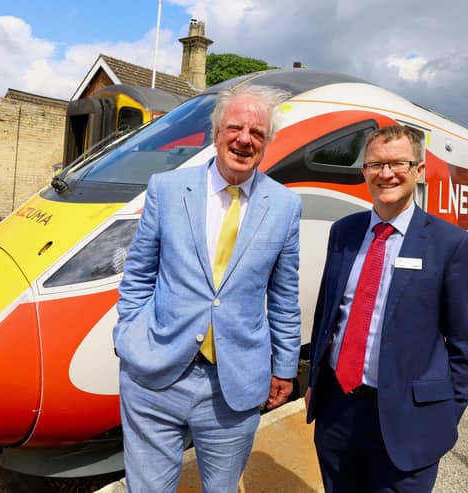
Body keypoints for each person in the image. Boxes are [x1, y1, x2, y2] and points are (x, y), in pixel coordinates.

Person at [113, 84, 302, 492]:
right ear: (217, 133)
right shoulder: (166, 188)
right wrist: (128, 334)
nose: (244, 139)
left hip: (233, 387)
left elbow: (284, 296)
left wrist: (285, 366)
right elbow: (139, 274)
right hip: (154, 376)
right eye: (235, 127)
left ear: (267, 143)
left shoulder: (285, 206)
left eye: (257, 133)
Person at [306, 125, 468, 492]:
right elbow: (327, 315)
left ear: (419, 170)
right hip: (339, 413)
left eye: (397, 163)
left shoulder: (450, 244)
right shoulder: (343, 232)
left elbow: (464, 345)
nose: (386, 174)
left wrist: (444, 414)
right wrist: (316, 382)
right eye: (375, 164)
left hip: (409, 423)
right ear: (364, 172)